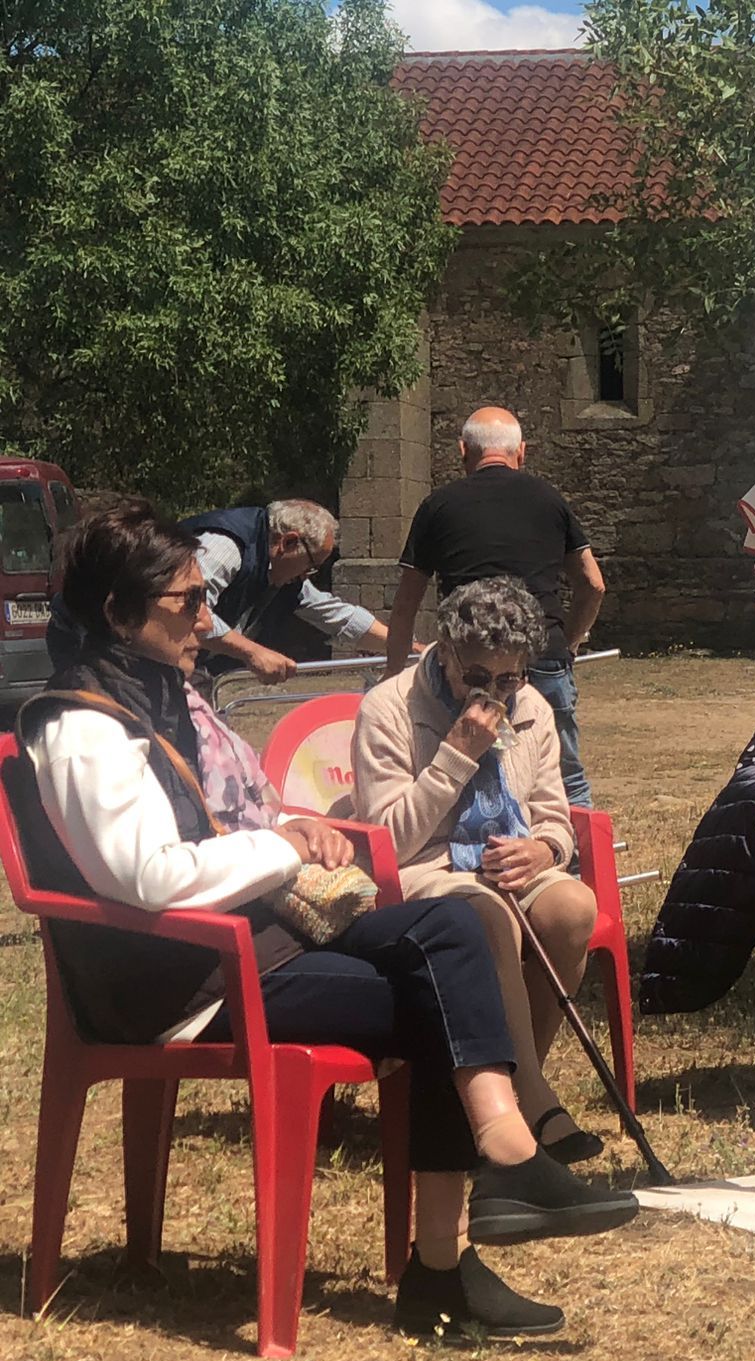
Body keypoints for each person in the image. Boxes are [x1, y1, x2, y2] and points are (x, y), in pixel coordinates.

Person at [16, 508, 637, 1340]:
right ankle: (456, 1251)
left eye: (205, 597)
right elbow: (146, 878)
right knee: (442, 995)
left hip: (252, 941)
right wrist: (277, 851)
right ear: (118, 614)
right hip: (183, 979)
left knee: (449, 935)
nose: (209, 619)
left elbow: (226, 821)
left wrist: (289, 827)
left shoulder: (167, 698)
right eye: (187, 602)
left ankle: (505, 1153)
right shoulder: (85, 729)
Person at [352, 578, 604, 1164]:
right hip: (425, 867)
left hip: (508, 860)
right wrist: (455, 755)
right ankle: (535, 1105)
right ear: (443, 653)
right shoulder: (388, 708)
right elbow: (390, 840)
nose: (494, 693)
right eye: (477, 677)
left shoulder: (534, 707)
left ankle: (515, 1086)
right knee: (489, 915)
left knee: (572, 909)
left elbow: (554, 816)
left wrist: (544, 850)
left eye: (510, 678)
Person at [386, 408, 605, 807]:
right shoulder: (550, 500)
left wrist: (391, 676)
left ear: (462, 451)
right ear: (521, 452)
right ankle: (575, 863)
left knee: (463, 763)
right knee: (563, 776)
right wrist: (566, 644)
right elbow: (593, 584)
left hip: (468, 665)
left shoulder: (438, 506)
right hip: (542, 655)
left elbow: (405, 605)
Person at [185, 499, 399, 682]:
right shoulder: (225, 546)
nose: (308, 575)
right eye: (311, 565)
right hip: (156, 670)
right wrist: (252, 652)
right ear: (288, 542)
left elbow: (338, 616)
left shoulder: (283, 573)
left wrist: (409, 647)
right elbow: (189, 610)